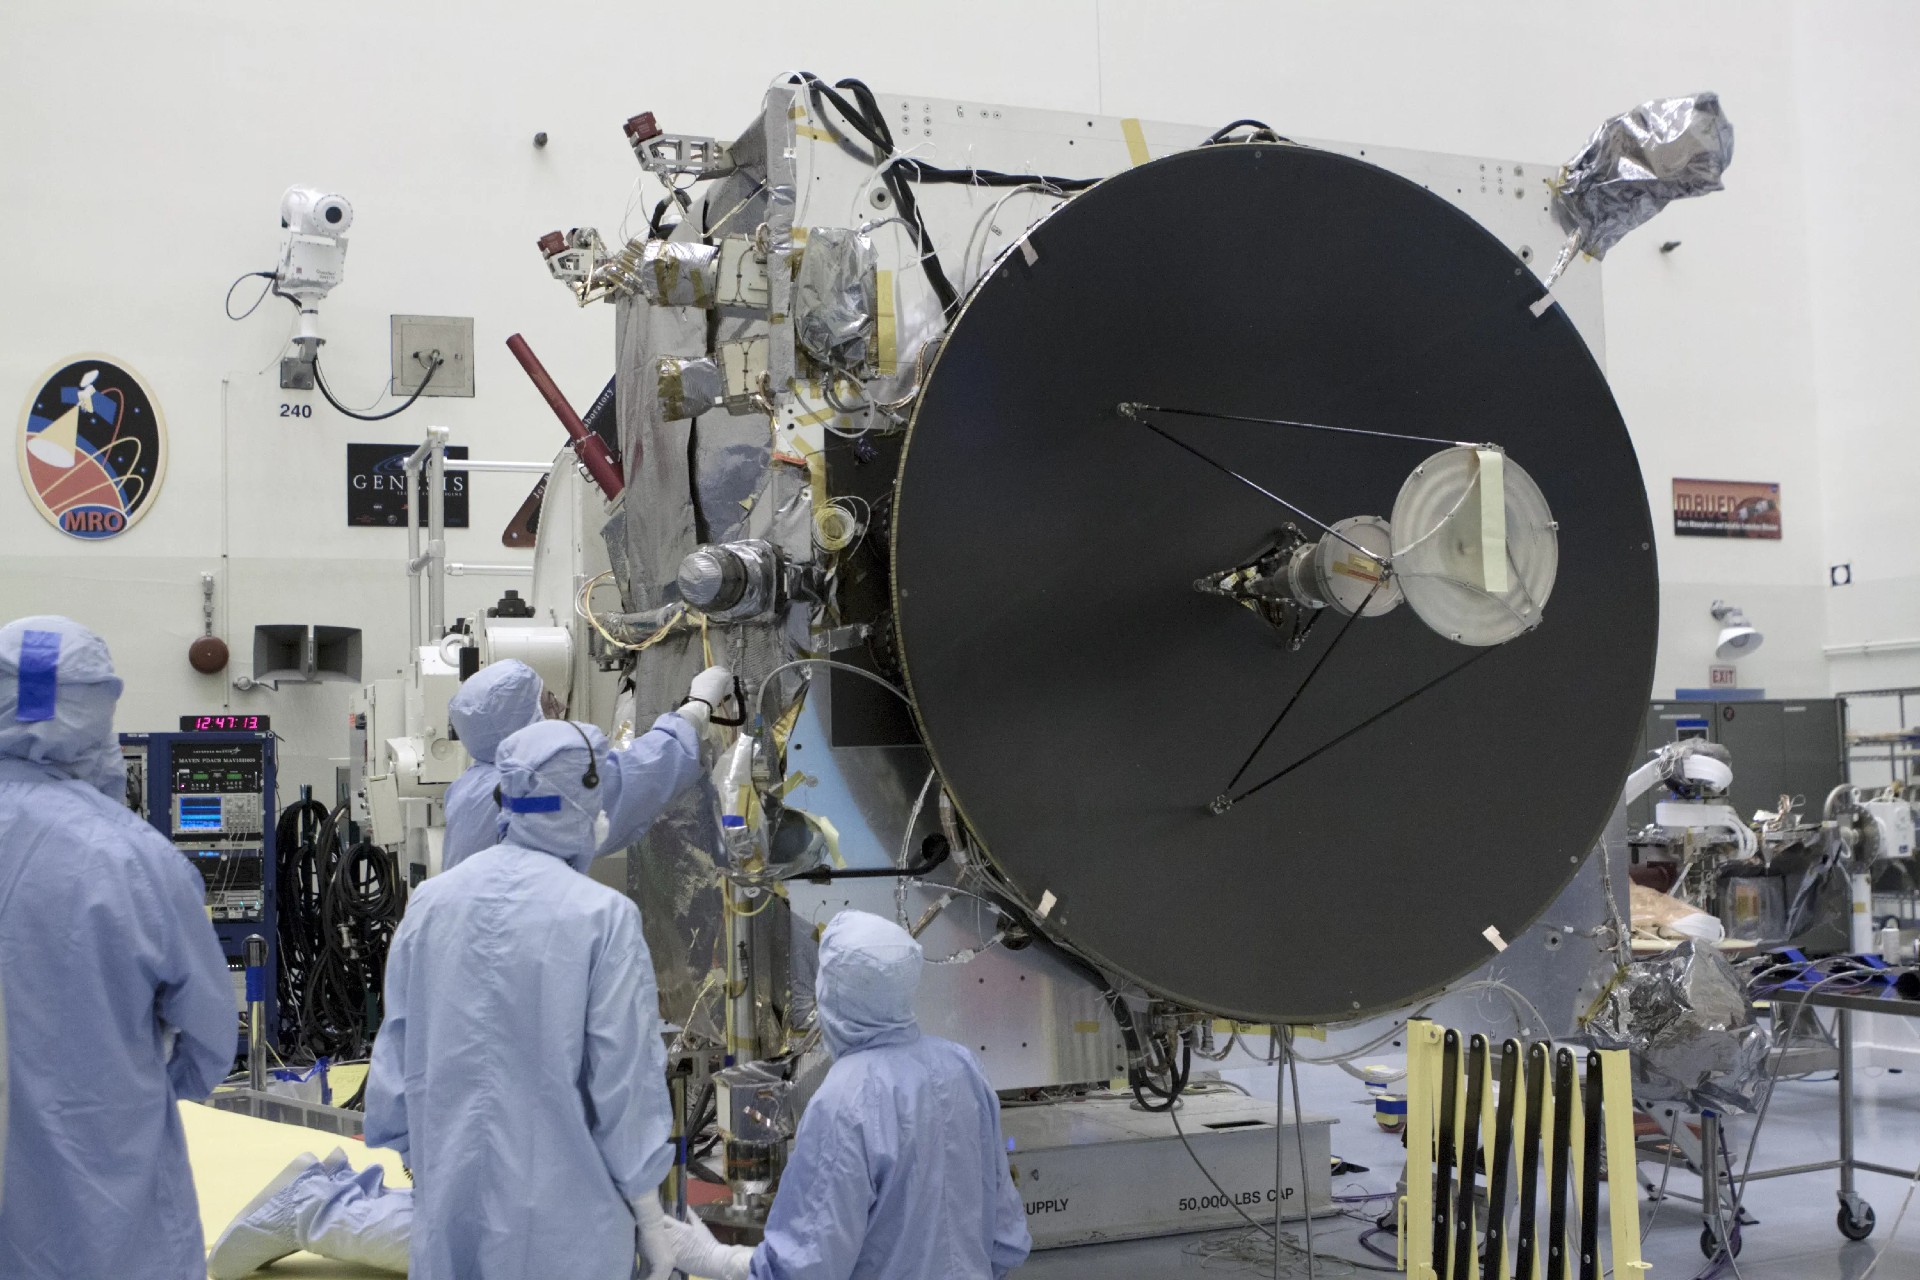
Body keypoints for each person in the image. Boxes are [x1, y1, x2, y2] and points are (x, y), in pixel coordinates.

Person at [207, 673, 725, 1280]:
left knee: (458, 1225)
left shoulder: (451, 863)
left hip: (462, 1122)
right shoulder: (597, 915)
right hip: (551, 1172)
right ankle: (317, 1206)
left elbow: (399, 1041)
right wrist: (695, 708)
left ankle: (323, 1203)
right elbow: (623, 1083)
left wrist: (414, 1150)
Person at [0, 616, 235, 1278]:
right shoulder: (132, 859)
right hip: (102, 1177)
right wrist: (142, 1090)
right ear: (95, 711)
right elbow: (211, 1035)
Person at [666, 909, 1032, 1280]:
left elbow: (806, 1267)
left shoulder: (844, 1099)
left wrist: (714, 1259)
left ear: (833, 989)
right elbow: (1006, 1236)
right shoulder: (961, 1066)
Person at [439, 658, 544, 871]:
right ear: (522, 720)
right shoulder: (520, 787)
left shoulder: (466, 784)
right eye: (548, 701)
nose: (562, 707)